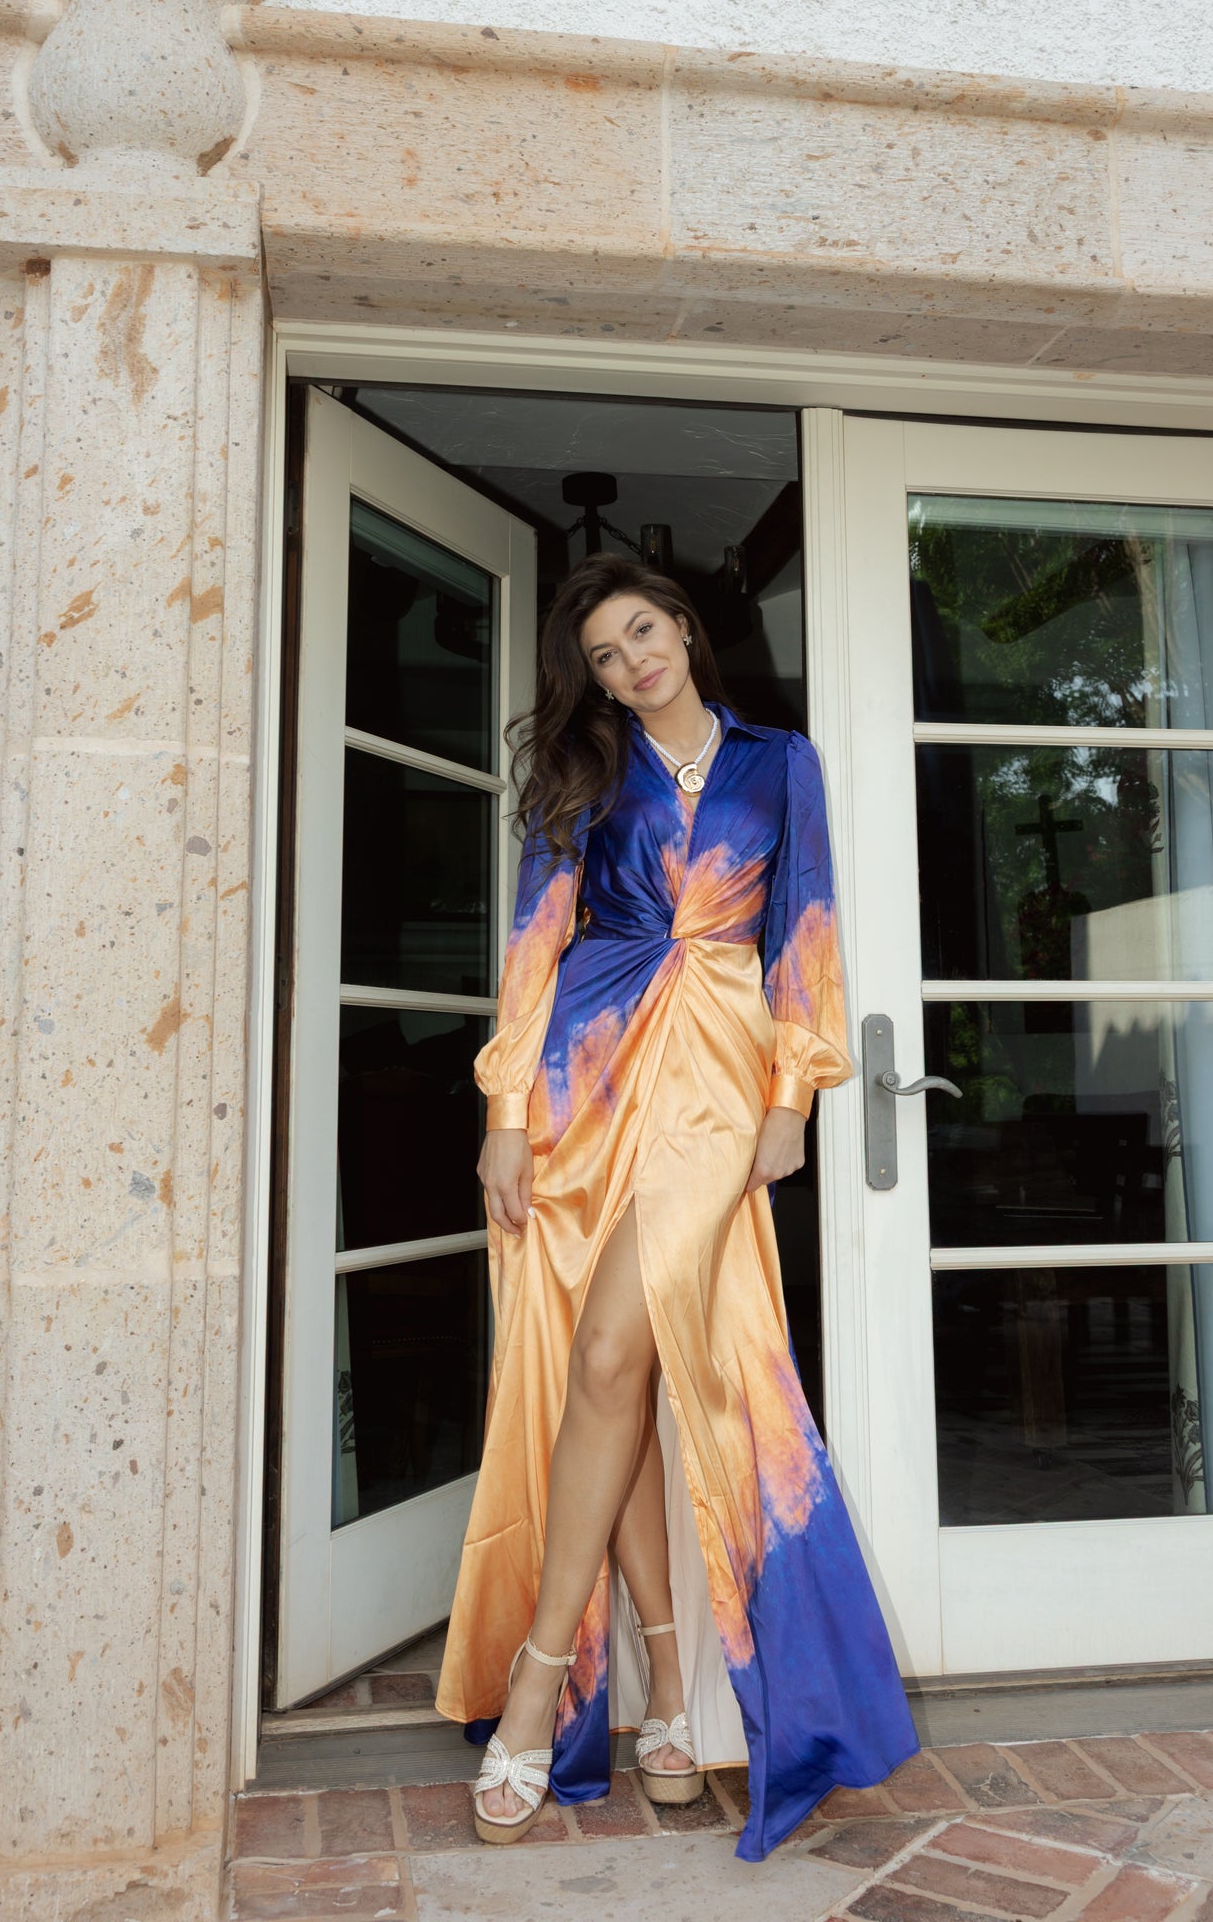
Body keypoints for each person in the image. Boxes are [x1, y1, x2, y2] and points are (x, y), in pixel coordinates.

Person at [435, 554, 918, 1859]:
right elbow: (535, 940)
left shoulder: (780, 764)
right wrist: (505, 1114)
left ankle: (540, 1676)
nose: (631, 662)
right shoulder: (588, 774)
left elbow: (804, 930)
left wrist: (792, 1097)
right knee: (617, 1374)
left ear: (686, 630)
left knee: (610, 1352)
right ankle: (658, 1680)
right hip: (586, 1075)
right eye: (604, 655)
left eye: (642, 632)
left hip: (713, 1081)